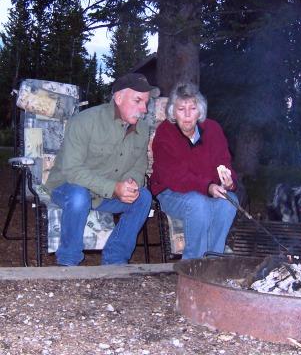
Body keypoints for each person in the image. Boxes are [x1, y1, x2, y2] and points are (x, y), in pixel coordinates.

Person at [45, 73, 159, 266]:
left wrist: (131, 183)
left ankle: (115, 260)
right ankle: (68, 262)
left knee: (143, 197)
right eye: (138, 101)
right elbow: (72, 171)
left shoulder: (142, 130)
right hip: (68, 187)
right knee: (79, 196)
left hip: (105, 194)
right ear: (119, 97)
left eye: (146, 103)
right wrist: (114, 188)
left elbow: (139, 166)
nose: (144, 109)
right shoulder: (84, 121)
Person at [149, 82, 238, 259]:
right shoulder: (165, 132)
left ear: (200, 111)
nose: (188, 115)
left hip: (206, 190)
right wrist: (208, 187)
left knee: (230, 201)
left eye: (193, 108)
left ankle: (212, 261)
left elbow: (224, 162)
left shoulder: (213, 129)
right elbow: (174, 176)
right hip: (170, 191)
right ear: (173, 112)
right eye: (182, 109)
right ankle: (192, 264)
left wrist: (228, 181)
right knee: (198, 204)